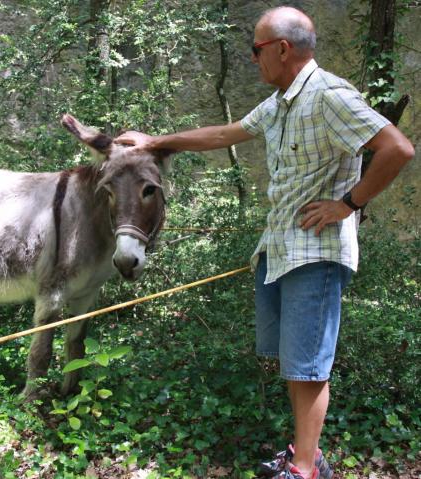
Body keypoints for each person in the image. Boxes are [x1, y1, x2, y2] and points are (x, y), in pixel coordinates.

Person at [115, 6, 415, 479]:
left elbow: (396, 148)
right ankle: (307, 456)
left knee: (309, 366)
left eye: (256, 50)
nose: (252, 59)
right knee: (297, 365)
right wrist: (154, 142)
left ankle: (303, 472)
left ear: (282, 49)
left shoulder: (328, 96)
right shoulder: (281, 102)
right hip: (281, 251)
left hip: (316, 252)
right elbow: (225, 133)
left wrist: (347, 204)